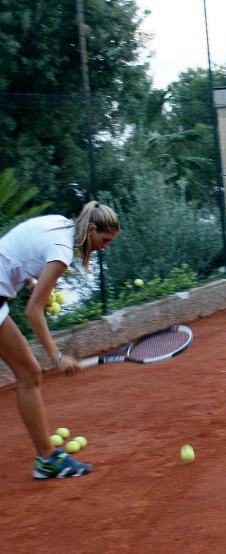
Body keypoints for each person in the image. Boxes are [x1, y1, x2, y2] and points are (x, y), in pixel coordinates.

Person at [0, 201, 120, 479]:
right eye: (105, 240)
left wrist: (31, 281)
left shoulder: (59, 224)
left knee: (28, 373)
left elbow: (17, 250)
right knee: (29, 373)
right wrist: (57, 357)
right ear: (91, 230)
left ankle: (46, 458)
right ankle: (47, 460)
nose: (105, 247)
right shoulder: (62, 251)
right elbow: (33, 311)